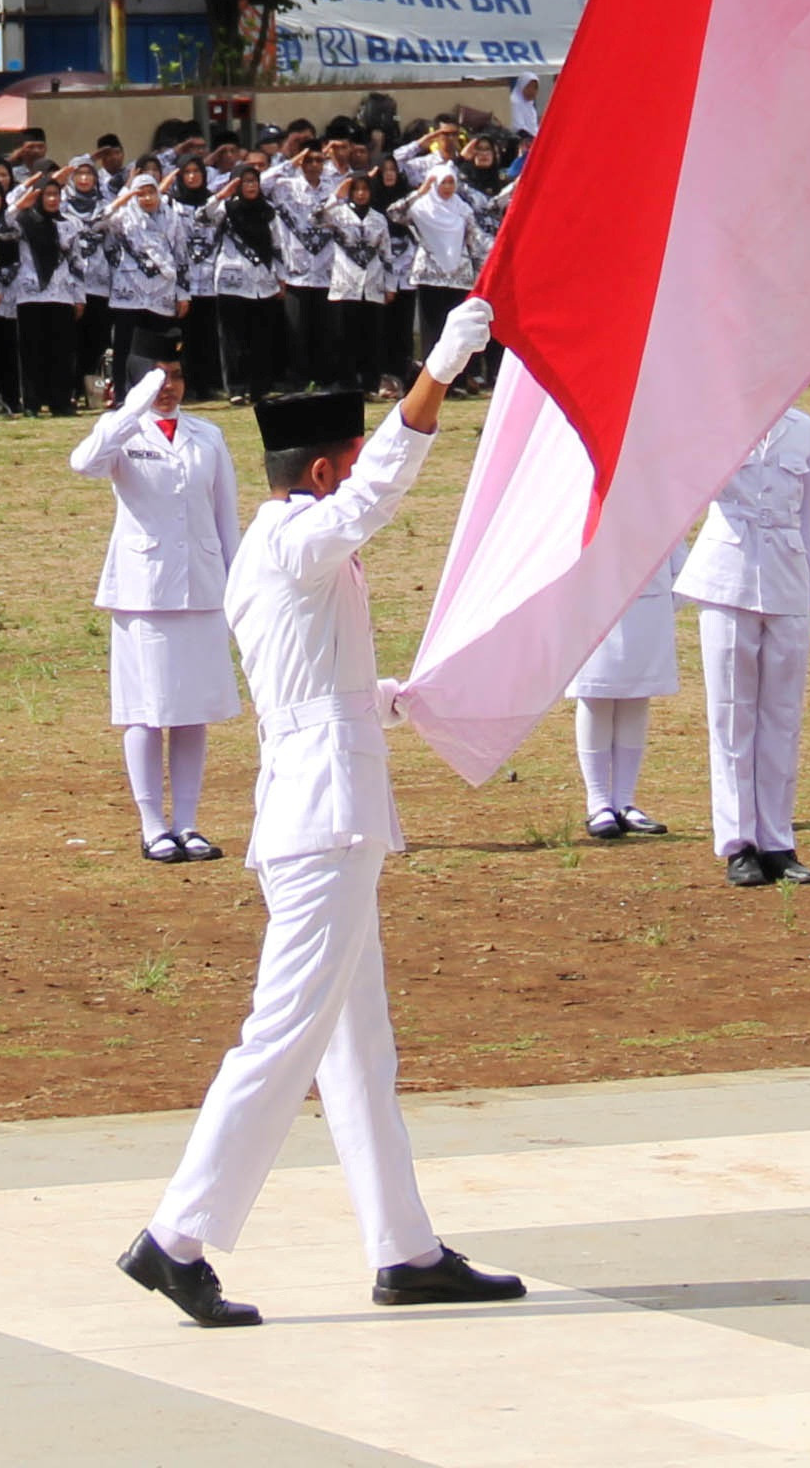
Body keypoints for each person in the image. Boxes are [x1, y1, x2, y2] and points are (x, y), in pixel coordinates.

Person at [116, 301, 524, 1330]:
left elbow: (309, 681)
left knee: (356, 1049)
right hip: (323, 817)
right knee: (285, 1035)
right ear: (326, 473)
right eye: (349, 458)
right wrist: (443, 365)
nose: (359, 470)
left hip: (323, 799)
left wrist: (381, 695)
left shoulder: (279, 542)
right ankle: (177, 1235)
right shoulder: (301, 536)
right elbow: (386, 482)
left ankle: (404, 1247)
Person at [69, 355, 242, 864]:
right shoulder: (123, 432)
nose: (169, 388)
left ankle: (187, 822)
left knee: (192, 713)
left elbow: (224, 516)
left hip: (202, 586)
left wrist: (237, 589)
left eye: (177, 377)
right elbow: (84, 462)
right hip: (145, 590)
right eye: (158, 379)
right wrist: (133, 405)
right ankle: (152, 825)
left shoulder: (207, 435)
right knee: (145, 712)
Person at [680, 400, 810, 888]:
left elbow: (807, 514)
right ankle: (738, 842)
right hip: (727, 572)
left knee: (782, 717)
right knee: (731, 712)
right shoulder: (715, 423)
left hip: (787, 573)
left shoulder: (805, 428)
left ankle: (778, 841)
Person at [566, 529, 689, 843]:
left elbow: (675, 540)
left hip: (648, 590)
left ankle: (624, 801)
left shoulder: (655, 489)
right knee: (596, 693)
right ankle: (598, 803)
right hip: (590, 595)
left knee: (637, 694)